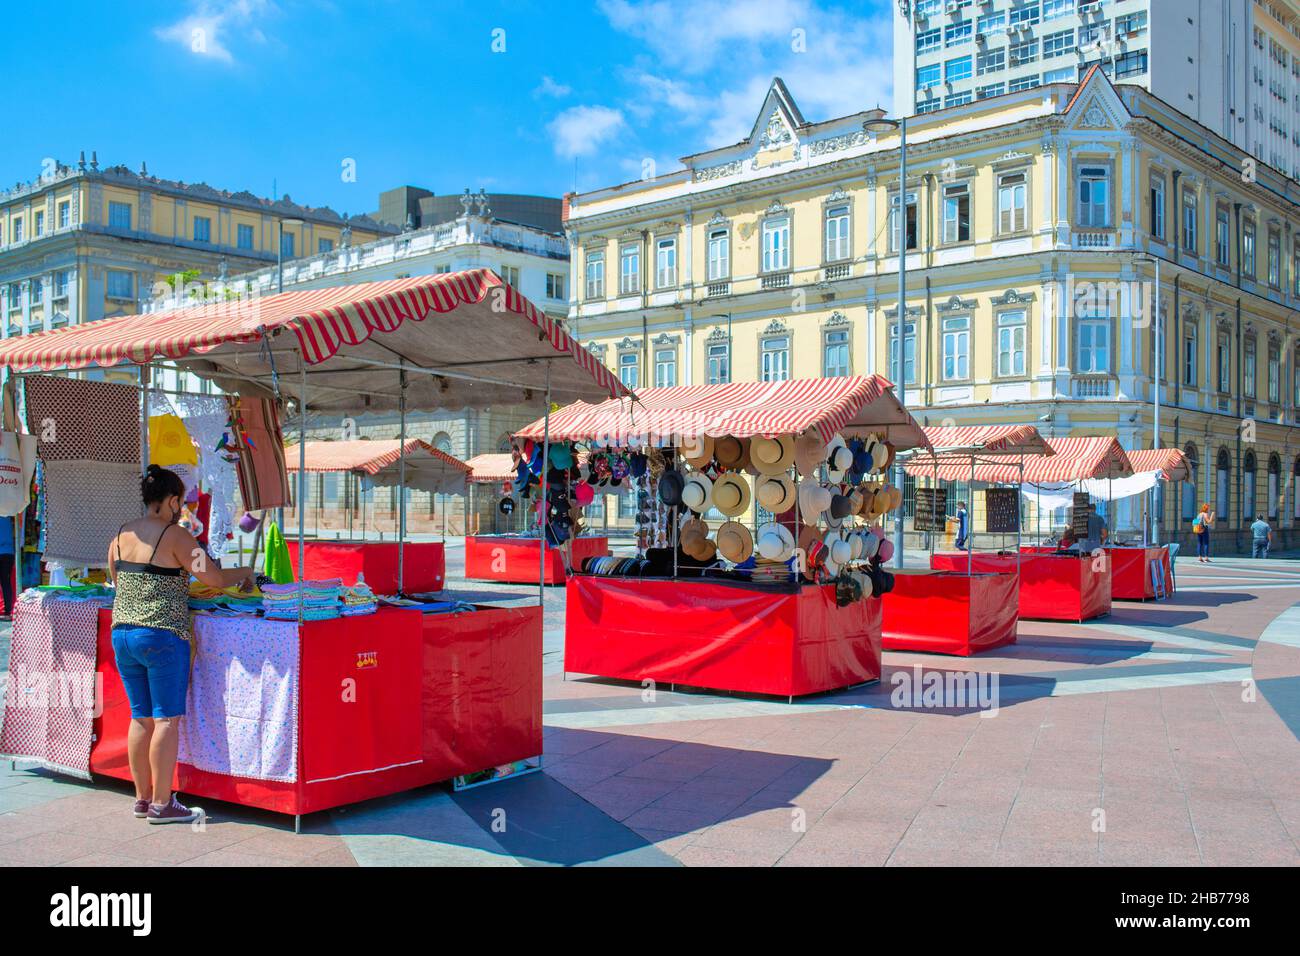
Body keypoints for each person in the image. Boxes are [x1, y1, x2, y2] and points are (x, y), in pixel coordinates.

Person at [107, 465, 255, 824]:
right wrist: (246, 572)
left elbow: (115, 577)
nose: (182, 508)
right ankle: (163, 803)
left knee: (140, 717)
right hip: (161, 635)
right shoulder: (177, 537)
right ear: (172, 500)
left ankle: (142, 800)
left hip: (122, 634)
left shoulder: (122, 534)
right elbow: (215, 578)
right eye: (181, 501)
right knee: (167, 720)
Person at [0, 515, 14, 621]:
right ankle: (8, 611)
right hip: (9, 552)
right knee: (6, 582)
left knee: (5, 582)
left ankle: (7, 610)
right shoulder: (9, 515)